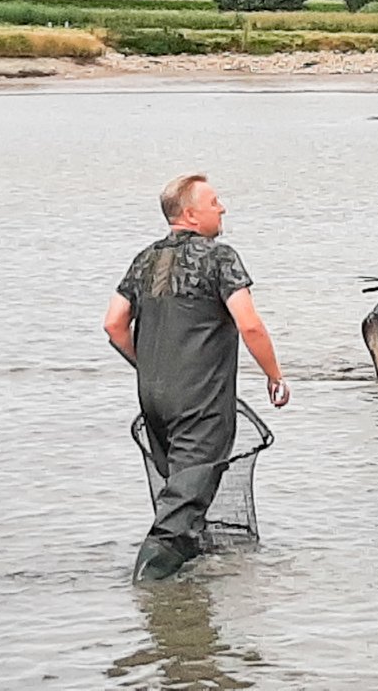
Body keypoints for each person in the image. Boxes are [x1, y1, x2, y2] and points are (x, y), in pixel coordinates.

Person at [103, 173, 289, 582]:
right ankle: (147, 596)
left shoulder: (145, 258)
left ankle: (187, 614)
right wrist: (274, 375)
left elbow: (114, 323)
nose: (222, 207)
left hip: (154, 401)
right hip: (201, 403)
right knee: (176, 521)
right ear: (189, 214)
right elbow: (250, 325)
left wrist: (149, 366)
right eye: (214, 202)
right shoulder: (220, 257)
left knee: (182, 500)